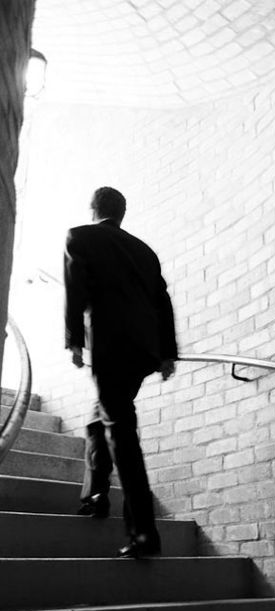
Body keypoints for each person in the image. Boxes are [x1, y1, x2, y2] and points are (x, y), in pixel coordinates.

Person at [64, 187, 178, 558]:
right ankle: (95, 494)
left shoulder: (80, 237)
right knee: (102, 416)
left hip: (110, 347)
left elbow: (75, 288)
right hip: (143, 350)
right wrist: (166, 353)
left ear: (93, 208)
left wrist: (74, 341)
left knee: (121, 432)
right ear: (122, 213)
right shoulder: (145, 250)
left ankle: (144, 532)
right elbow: (162, 300)